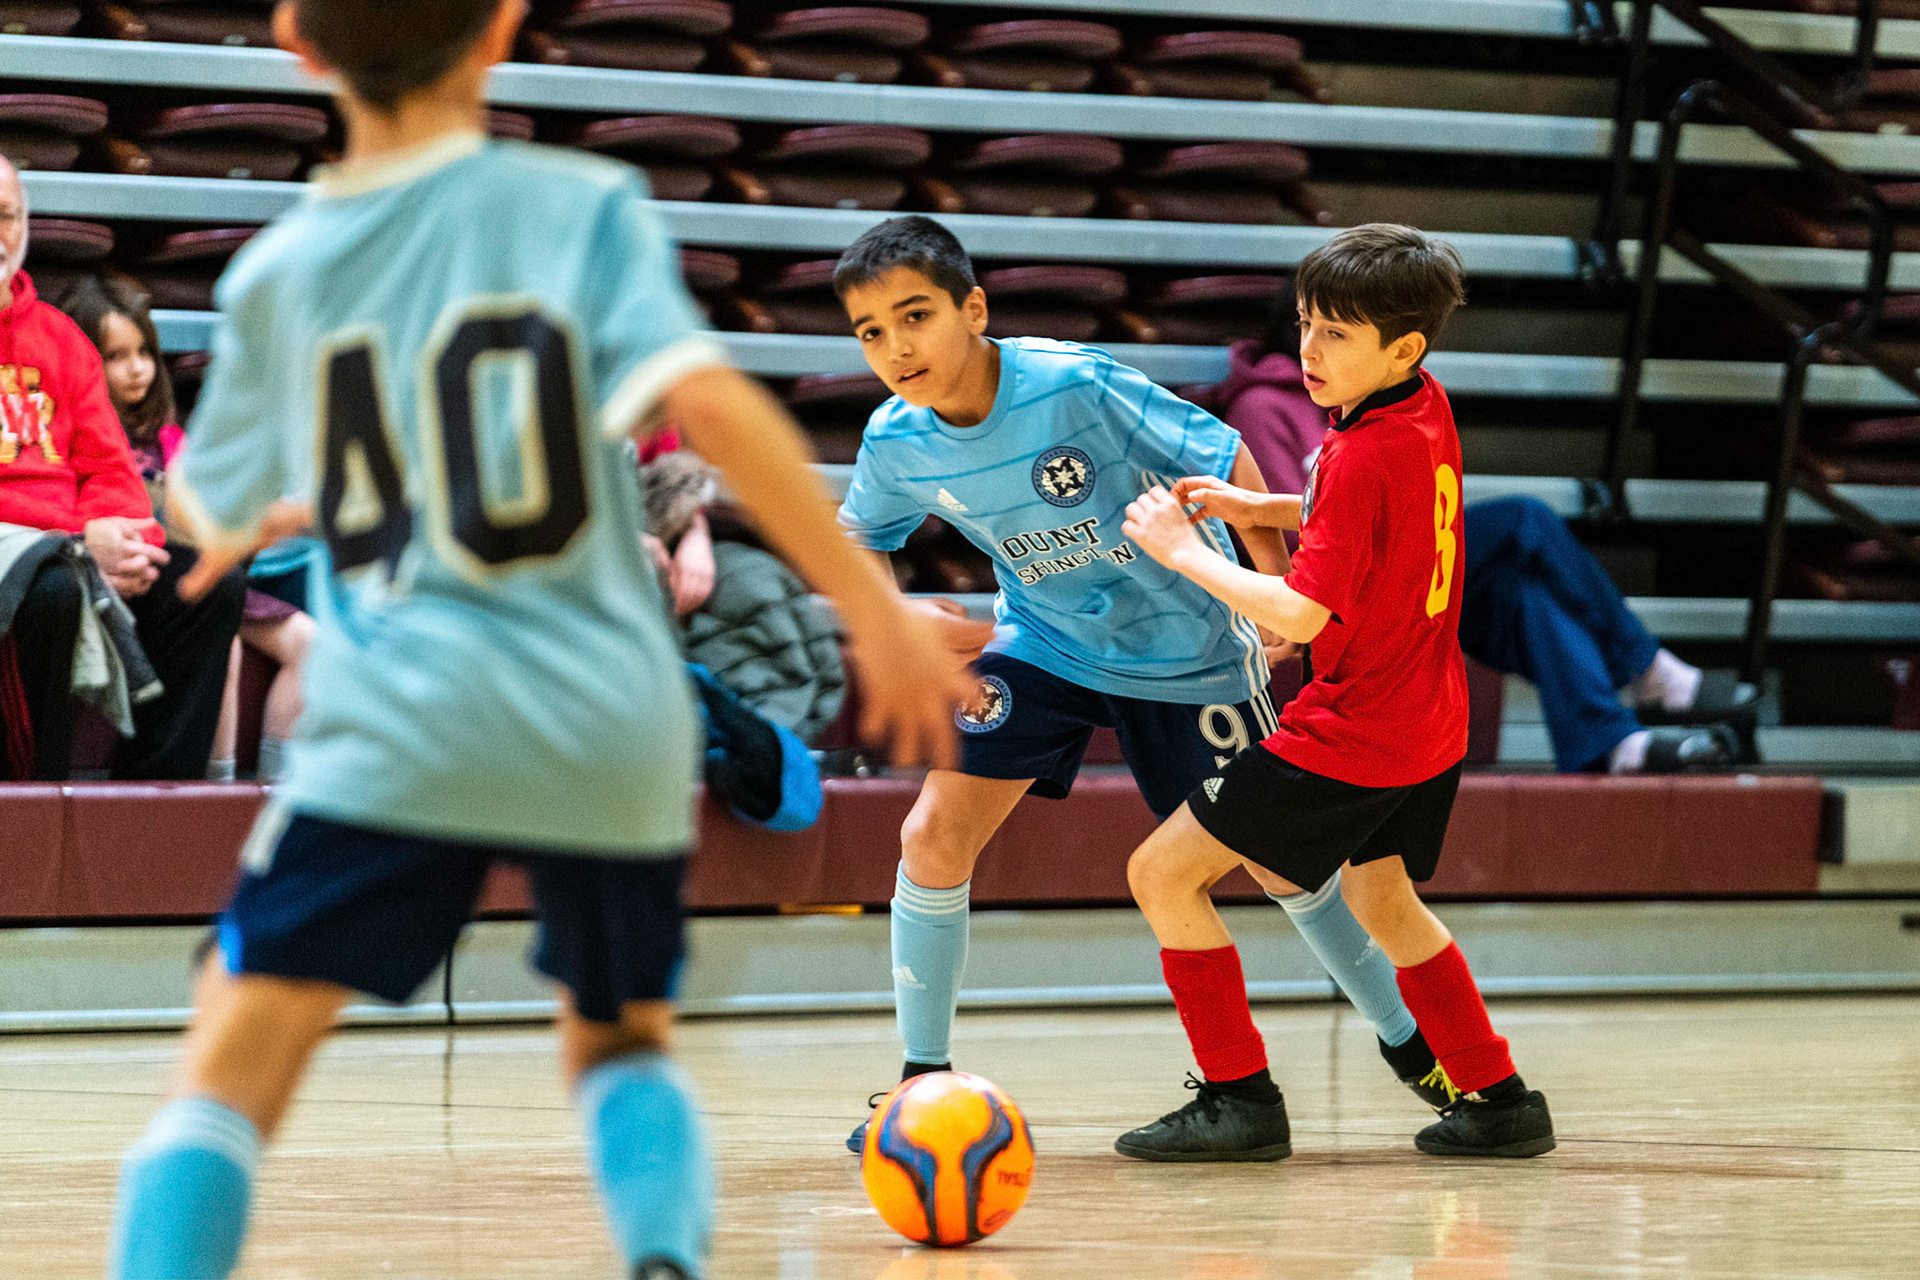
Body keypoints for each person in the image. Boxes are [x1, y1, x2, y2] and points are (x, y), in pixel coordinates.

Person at [105, 5, 963, 1280]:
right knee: (618, 1040)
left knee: (227, 1064)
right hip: (606, 715)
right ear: (502, 26)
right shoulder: (583, 202)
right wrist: (872, 607)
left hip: (409, 717)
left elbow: (199, 514)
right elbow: (709, 400)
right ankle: (664, 1261)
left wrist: (279, 503)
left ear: (296, 44)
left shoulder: (279, 272)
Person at [833, 215, 1464, 1153]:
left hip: (1189, 653)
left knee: (1286, 868)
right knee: (931, 832)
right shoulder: (895, 441)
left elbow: (1227, 461)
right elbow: (858, 541)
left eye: (914, 316)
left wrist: (1271, 589)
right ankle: (920, 1084)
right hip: (1046, 642)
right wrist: (887, 623)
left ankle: (1416, 1048)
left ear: (974, 309)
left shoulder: (1074, 385)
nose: (895, 346)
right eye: (870, 331)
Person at [1113, 224, 1555, 1162]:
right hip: (1430, 720)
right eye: (1308, 326)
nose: (1309, 353)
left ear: (1403, 347)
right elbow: (1366, 515)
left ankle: (1239, 1099)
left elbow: (1304, 615)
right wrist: (1259, 510)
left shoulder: (1357, 452)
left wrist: (1186, 551)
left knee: (1160, 872)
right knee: (1386, 901)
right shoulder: (1421, 405)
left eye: (1336, 335)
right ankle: (1500, 1096)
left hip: (1356, 730)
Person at [1206, 298, 1752, 774]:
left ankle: (1614, 745)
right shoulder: (1263, 406)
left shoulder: (1376, 401)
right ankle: (1647, 668)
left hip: (1408, 581)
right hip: (1348, 595)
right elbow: (1300, 542)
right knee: (1524, 520)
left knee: (1522, 592)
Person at [0, 159, 245, 781]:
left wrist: (118, 540)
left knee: (207, 586)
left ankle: (152, 791)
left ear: (24, 224)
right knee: (51, 588)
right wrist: (77, 546)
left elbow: (111, 468)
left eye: (5, 217)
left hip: (75, 548)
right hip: (28, 559)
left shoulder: (60, 339)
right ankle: (38, 803)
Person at [59, 273, 317, 781]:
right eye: (115, 356)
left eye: (143, 353)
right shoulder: (81, 438)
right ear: (83, 359)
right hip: (146, 579)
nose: (137, 370)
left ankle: (264, 795)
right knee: (226, 634)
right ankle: (211, 784)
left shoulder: (168, 439)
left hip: (208, 573)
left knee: (308, 642)